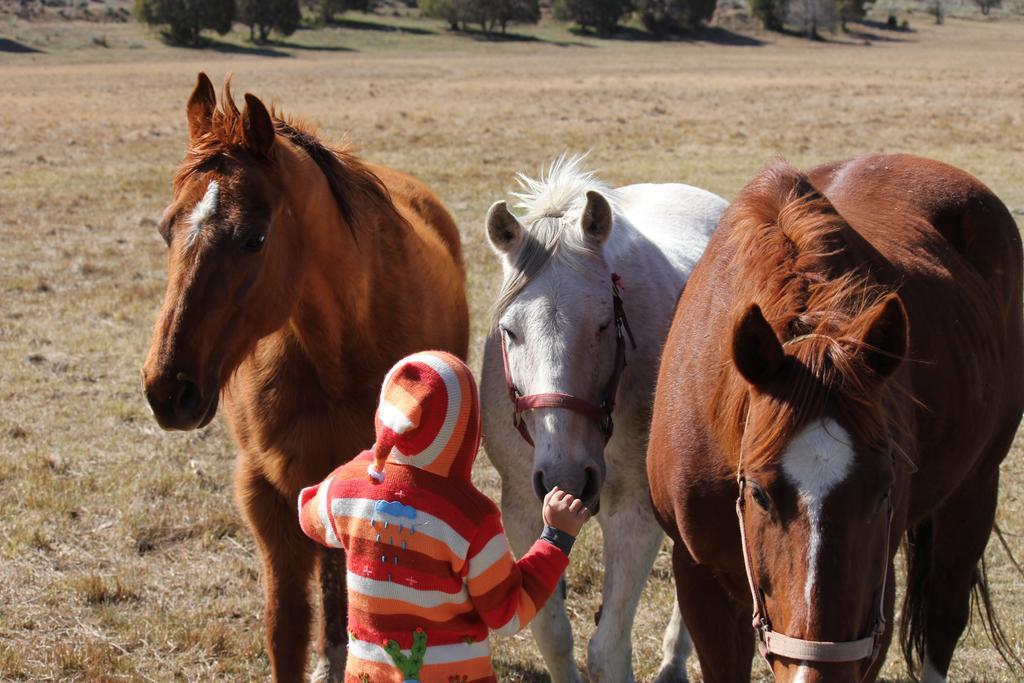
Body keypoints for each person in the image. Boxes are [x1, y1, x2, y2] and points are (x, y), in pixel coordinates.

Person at [298, 350, 591, 682]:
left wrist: (373, 458)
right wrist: (555, 539)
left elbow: (309, 513)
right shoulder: (469, 520)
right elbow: (508, 614)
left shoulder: (347, 490)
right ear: (465, 428)